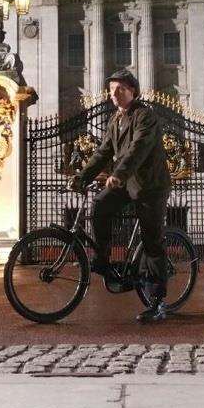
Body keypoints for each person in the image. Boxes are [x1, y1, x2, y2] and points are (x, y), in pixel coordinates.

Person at [70, 70, 173, 323]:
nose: (114, 94)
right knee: (100, 204)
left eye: (120, 89)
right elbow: (102, 152)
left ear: (133, 91)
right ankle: (103, 259)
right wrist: (82, 176)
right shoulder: (115, 120)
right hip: (126, 183)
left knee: (152, 242)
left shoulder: (145, 117)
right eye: (112, 90)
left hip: (150, 186)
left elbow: (138, 150)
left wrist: (118, 174)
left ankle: (157, 302)